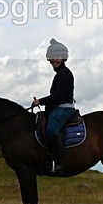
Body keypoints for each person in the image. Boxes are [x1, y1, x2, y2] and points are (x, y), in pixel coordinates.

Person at [31, 38, 75, 175]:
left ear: (63, 58)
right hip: (57, 107)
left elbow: (59, 96)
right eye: (52, 58)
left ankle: (59, 164)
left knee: (51, 130)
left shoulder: (65, 74)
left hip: (64, 107)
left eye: (57, 57)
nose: (54, 60)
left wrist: (40, 101)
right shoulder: (59, 75)